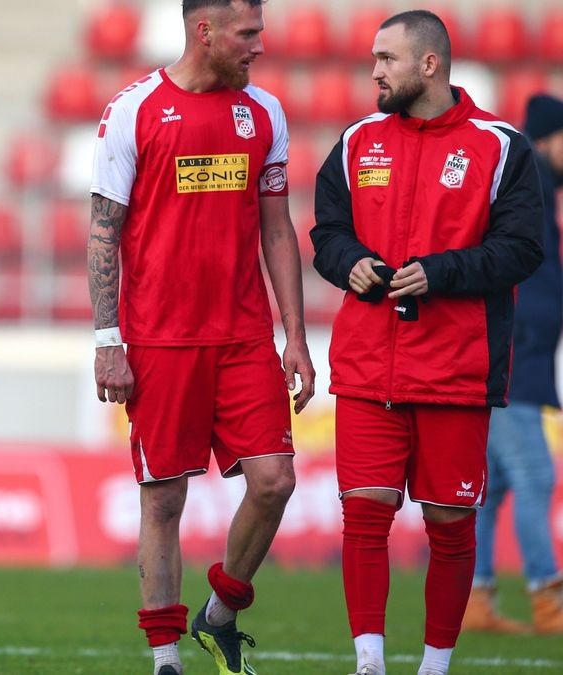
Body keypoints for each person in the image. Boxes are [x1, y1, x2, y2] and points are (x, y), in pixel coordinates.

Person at [310, 10, 544, 675]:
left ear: (430, 65)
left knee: (449, 523)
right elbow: (326, 232)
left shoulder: (501, 146)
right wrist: (347, 261)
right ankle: (369, 664)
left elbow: (524, 249)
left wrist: (440, 273)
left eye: (387, 58)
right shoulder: (357, 141)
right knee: (365, 515)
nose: (375, 71)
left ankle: (435, 666)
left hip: (455, 368)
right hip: (366, 366)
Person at [87, 1, 315, 673]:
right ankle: (165, 659)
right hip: (160, 339)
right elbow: (104, 230)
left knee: (274, 481)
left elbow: (277, 228)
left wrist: (294, 335)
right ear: (204, 31)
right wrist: (109, 339)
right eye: (248, 34)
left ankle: (220, 613)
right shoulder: (133, 110)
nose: (259, 47)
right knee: (164, 496)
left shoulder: (265, 113)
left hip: (243, 334)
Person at [462, 92, 563, 635]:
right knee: (535, 475)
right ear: (550, 139)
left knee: (495, 484)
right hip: (511, 359)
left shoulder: (540, 193)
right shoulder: (528, 187)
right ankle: (549, 601)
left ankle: (475, 599)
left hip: (518, 357)